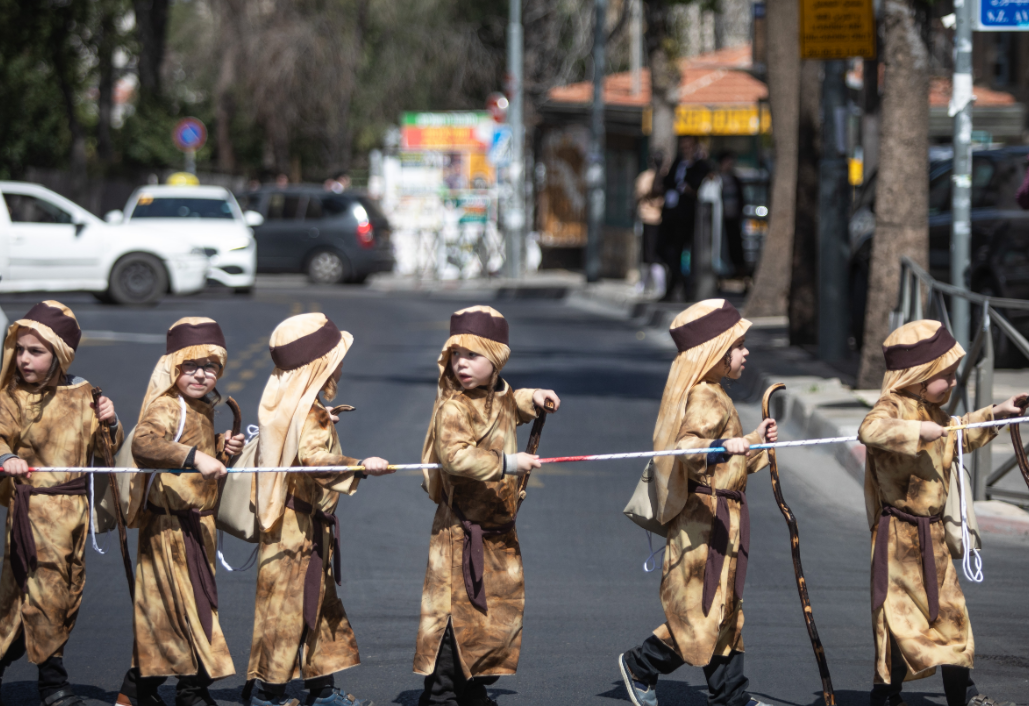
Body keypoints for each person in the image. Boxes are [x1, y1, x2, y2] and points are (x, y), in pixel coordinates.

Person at [618, 299, 776, 706]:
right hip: (701, 523)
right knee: (698, 612)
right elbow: (689, 447)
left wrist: (754, 440)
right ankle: (640, 665)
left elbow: (730, 462)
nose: (745, 353)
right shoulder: (706, 396)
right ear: (717, 351)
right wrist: (723, 446)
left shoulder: (718, 394)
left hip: (723, 519)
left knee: (724, 609)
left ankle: (730, 695)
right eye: (739, 345)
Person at [859, 320, 1021, 706]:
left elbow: (958, 434)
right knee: (899, 620)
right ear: (918, 376)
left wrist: (997, 413)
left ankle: (964, 697)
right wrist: (915, 432)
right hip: (897, 538)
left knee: (952, 615)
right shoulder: (892, 406)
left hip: (932, 535)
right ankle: (886, 696)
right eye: (944, 376)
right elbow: (869, 430)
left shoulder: (935, 413)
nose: (951, 382)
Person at [413, 306, 560, 706]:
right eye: (456, 355)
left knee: (491, 615)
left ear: (495, 361)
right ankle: (441, 694)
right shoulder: (453, 406)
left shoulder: (498, 394)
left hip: (498, 530)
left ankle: (470, 686)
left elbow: (511, 403)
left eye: (473, 356)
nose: (461, 364)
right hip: (460, 532)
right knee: (452, 618)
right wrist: (508, 463)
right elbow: (456, 456)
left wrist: (536, 398)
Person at [248, 313, 392, 706]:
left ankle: (322, 691)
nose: (341, 365)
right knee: (289, 611)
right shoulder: (309, 410)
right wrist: (361, 466)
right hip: (297, 532)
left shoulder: (285, 401)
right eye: (336, 357)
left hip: (289, 526)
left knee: (315, 606)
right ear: (321, 365)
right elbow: (313, 459)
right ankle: (269, 696)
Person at [115, 317, 245, 706]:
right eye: (191, 365)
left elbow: (194, 455)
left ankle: (138, 691)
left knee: (175, 611)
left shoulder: (200, 407)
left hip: (195, 528)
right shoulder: (169, 405)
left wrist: (221, 450)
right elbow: (145, 442)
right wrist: (196, 457)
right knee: (185, 610)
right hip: (169, 530)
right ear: (174, 367)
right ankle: (188, 692)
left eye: (210, 366)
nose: (201, 375)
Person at [0, 302, 122, 706]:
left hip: (73, 514)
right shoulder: (11, 397)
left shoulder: (83, 393)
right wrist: (6, 458)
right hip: (33, 511)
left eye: (35, 351)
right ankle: (54, 684)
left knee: (56, 595)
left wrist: (110, 422)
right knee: (44, 591)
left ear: (59, 355)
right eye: (20, 349)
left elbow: (106, 453)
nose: (23, 359)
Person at [659, 136, 711, 301]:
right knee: (663, 250)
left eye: (689, 146)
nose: (686, 149)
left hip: (686, 215)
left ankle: (680, 287)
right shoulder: (677, 163)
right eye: (684, 146)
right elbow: (666, 182)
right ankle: (681, 282)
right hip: (670, 214)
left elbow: (698, 188)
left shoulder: (700, 166)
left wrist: (688, 189)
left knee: (679, 251)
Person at [635, 151, 666, 297]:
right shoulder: (663, 176)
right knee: (651, 254)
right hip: (659, 219)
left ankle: (655, 286)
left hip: (649, 218)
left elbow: (639, 194)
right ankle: (647, 285)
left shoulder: (646, 177)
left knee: (649, 255)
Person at [717, 152, 747, 279]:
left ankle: (738, 272)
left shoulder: (735, 179)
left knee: (735, 246)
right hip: (719, 220)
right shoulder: (716, 179)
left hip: (733, 218)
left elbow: (741, 198)